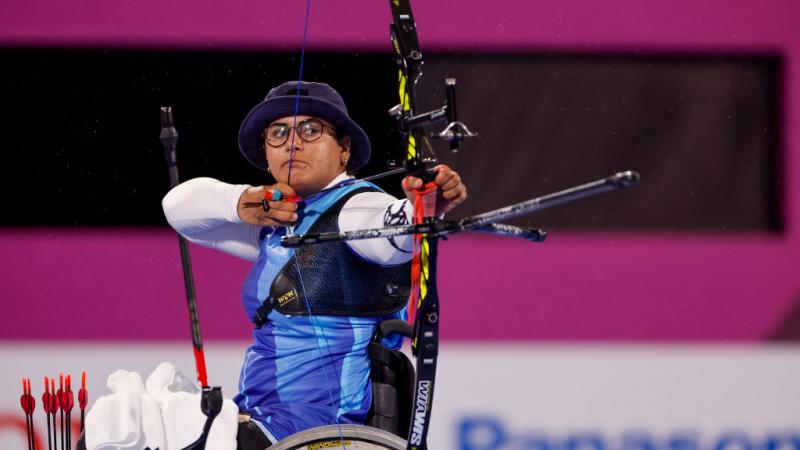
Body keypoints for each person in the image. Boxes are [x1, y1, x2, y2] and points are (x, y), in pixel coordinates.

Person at [162, 80, 467, 446]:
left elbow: (390, 230)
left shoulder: (354, 209)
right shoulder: (279, 221)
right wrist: (239, 199)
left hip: (313, 436)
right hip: (258, 424)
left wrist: (422, 206)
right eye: (278, 132)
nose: (293, 142)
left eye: (311, 130)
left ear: (344, 149)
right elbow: (178, 211)